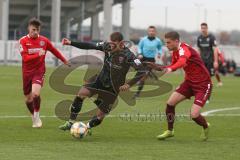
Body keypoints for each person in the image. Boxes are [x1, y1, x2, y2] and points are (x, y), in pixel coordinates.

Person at [59, 32, 146, 134]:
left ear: (121, 44)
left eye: (114, 44)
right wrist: (70, 42)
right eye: (110, 43)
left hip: (113, 88)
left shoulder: (129, 56)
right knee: (81, 94)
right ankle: (70, 122)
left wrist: (128, 84)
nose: (111, 46)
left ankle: (86, 128)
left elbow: (142, 71)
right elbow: (89, 45)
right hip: (99, 80)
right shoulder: (106, 46)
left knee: (100, 117)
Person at [148, 31, 212, 141]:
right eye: (165, 43)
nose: (166, 45)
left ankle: (206, 126)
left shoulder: (183, 49)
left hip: (203, 85)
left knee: (194, 115)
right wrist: (161, 68)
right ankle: (170, 131)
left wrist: (169, 69)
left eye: (168, 43)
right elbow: (174, 65)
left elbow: (182, 62)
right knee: (170, 103)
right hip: (189, 83)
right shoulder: (175, 52)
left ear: (176, 41)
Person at [19, 18, 69, 128]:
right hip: (27, 73)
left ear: (39, 29)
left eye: (37, 30)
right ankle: (33, 116)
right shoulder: (22, 41)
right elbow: (26, 58)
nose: (35, 32)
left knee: (35, 94)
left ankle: (37, 115)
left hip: (39, 71)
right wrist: (39, 54)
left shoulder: (44, 41)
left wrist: (64, 60)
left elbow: (54, 50)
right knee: (28, 99)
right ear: (29, 28)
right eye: (33, 30)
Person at [133, 26, 163, 99]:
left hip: (151, 60)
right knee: (138, 74)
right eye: (150, 31)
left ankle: (137, 94)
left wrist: (159, 53)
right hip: (142, 58)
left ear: (155, 32)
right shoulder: (143, 40)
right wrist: (140, 53)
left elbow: (160, 48)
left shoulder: (158, 41)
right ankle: (151, 75)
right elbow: (139, 47)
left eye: (153, 31)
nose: (151, 32)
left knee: (143, 77)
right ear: (148, 32)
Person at [197, 23, 223, 87]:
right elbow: (199, 49)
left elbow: (215, 49)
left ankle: (215, 83)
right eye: (202, 28)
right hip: (203, 59)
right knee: (203, 73)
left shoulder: (212, 37)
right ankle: (206, 85)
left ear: (207, 28)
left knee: (211, 73)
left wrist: (216, 61)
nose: (203, 30)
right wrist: (198, 59)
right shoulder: (199, 38)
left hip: (211, 59)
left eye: (204, 28)